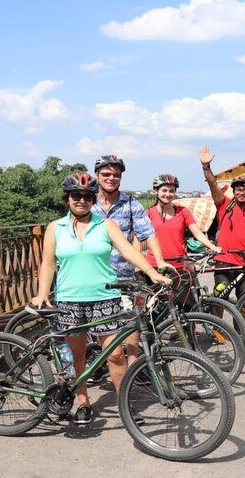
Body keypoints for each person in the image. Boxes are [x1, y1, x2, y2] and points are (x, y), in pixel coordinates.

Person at [31, 173, 171, 425]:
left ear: (92, 199)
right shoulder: (55, 228)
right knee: (78, 355)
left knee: (115, 354)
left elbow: (128, 250)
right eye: (76, 196)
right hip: (69, 300)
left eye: (86, 196)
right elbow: (48, 263)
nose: (81, 200)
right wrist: (42, 293)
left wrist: (151, 271)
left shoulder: (105, 225)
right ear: (67, 199)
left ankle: (123, 404)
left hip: (105, 298)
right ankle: (83, 401)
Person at [91, 154, 169, 366]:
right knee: (98, 331)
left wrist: (159, 262)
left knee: (133, 325)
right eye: (106, 174)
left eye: (116, 175)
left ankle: (134, 369)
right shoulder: (85, 202)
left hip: (123, 277)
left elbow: (148, 233)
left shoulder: (131, 203)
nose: (111, 178)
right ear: (97, 175)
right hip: (92, 278)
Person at [199, 146, 245, 322]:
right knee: (220, 298)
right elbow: (212, 184)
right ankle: (218, 328)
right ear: (234, 191)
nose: (241, 192)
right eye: (238, 189)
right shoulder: (225, 205)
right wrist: (206, 167)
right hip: (225, 262)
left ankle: (241, 331)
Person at [146, 174, 222, 300]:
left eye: (171, 191)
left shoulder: (183, 211)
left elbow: (198, 233)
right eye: (164, 190)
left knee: (188, 305)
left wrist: (213, 247)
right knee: (158, 309)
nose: (168, 194)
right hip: (155, 266)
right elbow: (138, 239)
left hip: (180, 266)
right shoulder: (149, 213)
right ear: (155, 191)